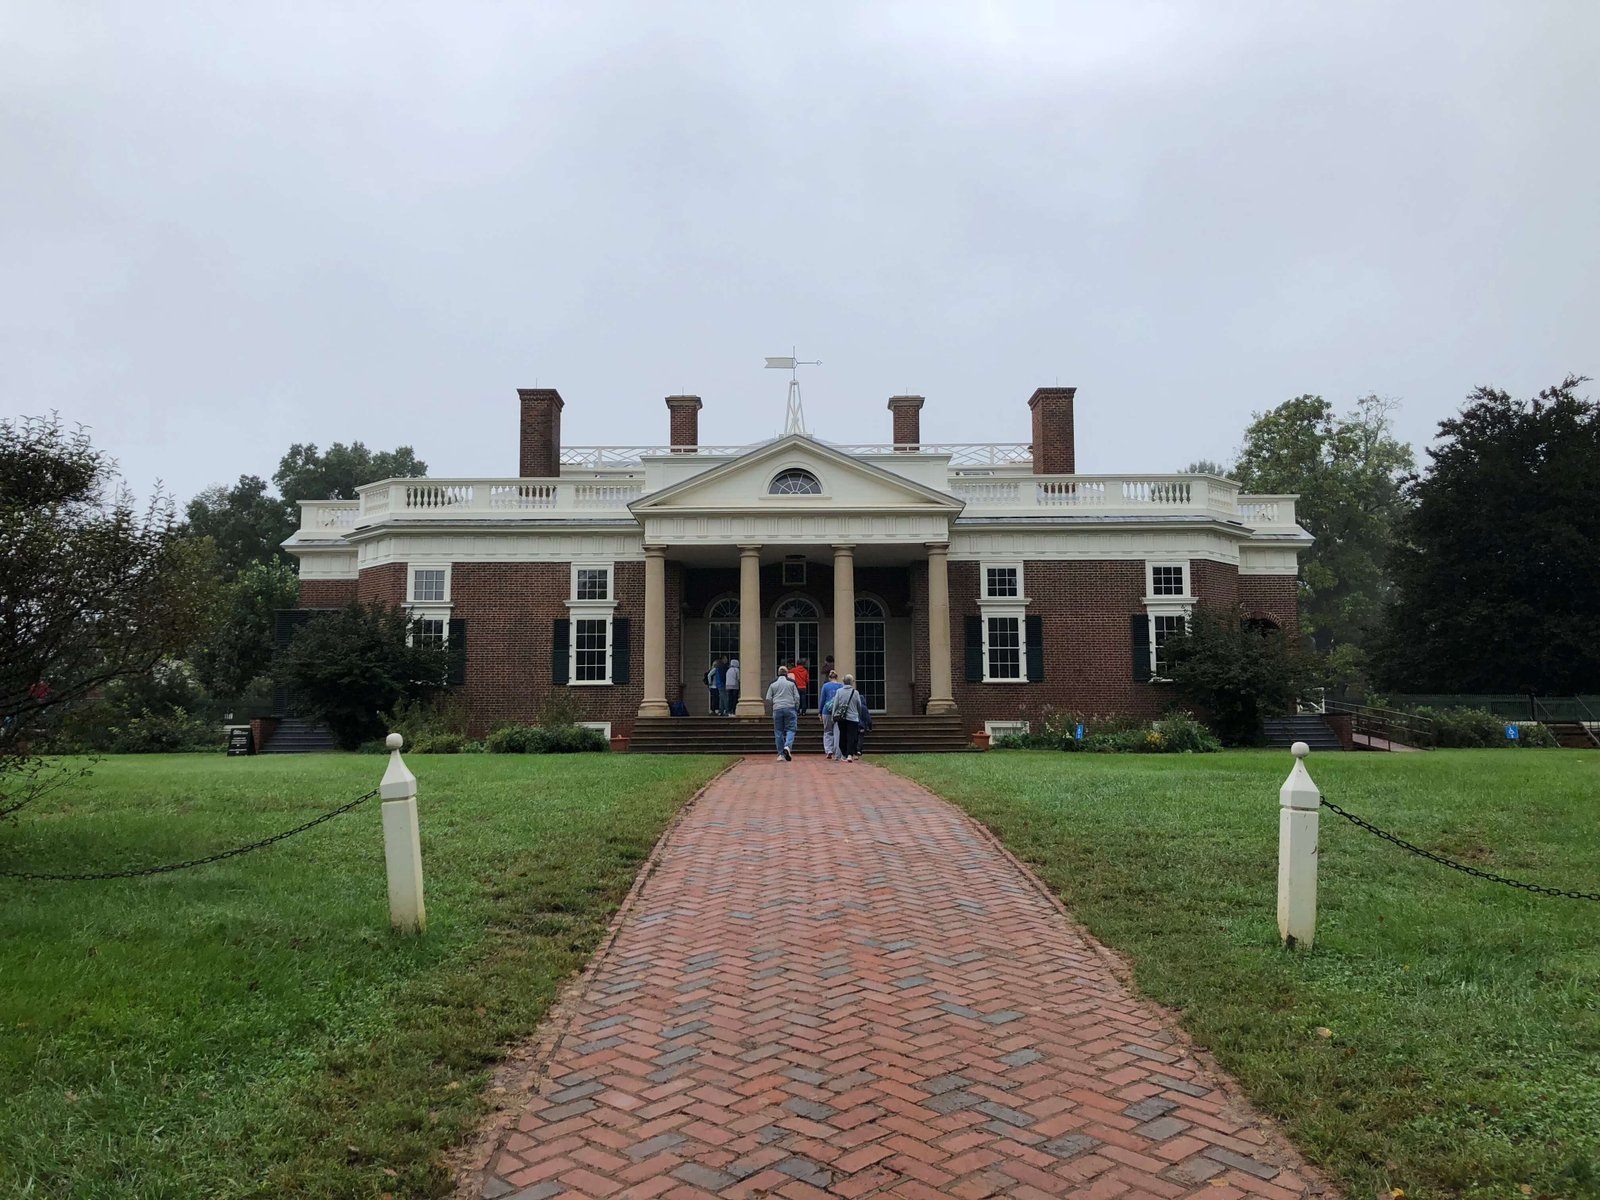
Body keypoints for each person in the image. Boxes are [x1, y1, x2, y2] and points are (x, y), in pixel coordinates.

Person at [766, 666, 799, 761]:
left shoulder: (773, 684)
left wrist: (774, 705)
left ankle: (780, 754)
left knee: (778, 731)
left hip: (777, 708)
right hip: (790, 707)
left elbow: (768, 698)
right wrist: (796, 707)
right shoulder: (791, 684)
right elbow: (797, 697)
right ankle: (787, 746)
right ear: (787, 673)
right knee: (791, 729)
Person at [833, 673, 863, 762]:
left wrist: (833, 715)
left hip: (841, 717)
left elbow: (835, 704)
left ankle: (844, 754)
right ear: (851, 682)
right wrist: (858, 715)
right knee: (851, 736)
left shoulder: (839, 691)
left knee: (842, 735)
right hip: (853, 718)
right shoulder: (856, 692)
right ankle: (850, 754)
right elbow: (859, 706)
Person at [818, 670, 842, 760]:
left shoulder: (825, 686)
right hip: (837, 712)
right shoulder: (841, 686)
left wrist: (820, 712)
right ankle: (837, 751)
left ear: (829, 677)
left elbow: (822, 699)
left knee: (827, 731)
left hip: (826, 711)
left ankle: (829, 750)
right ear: (837, 677)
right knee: (837, 732)